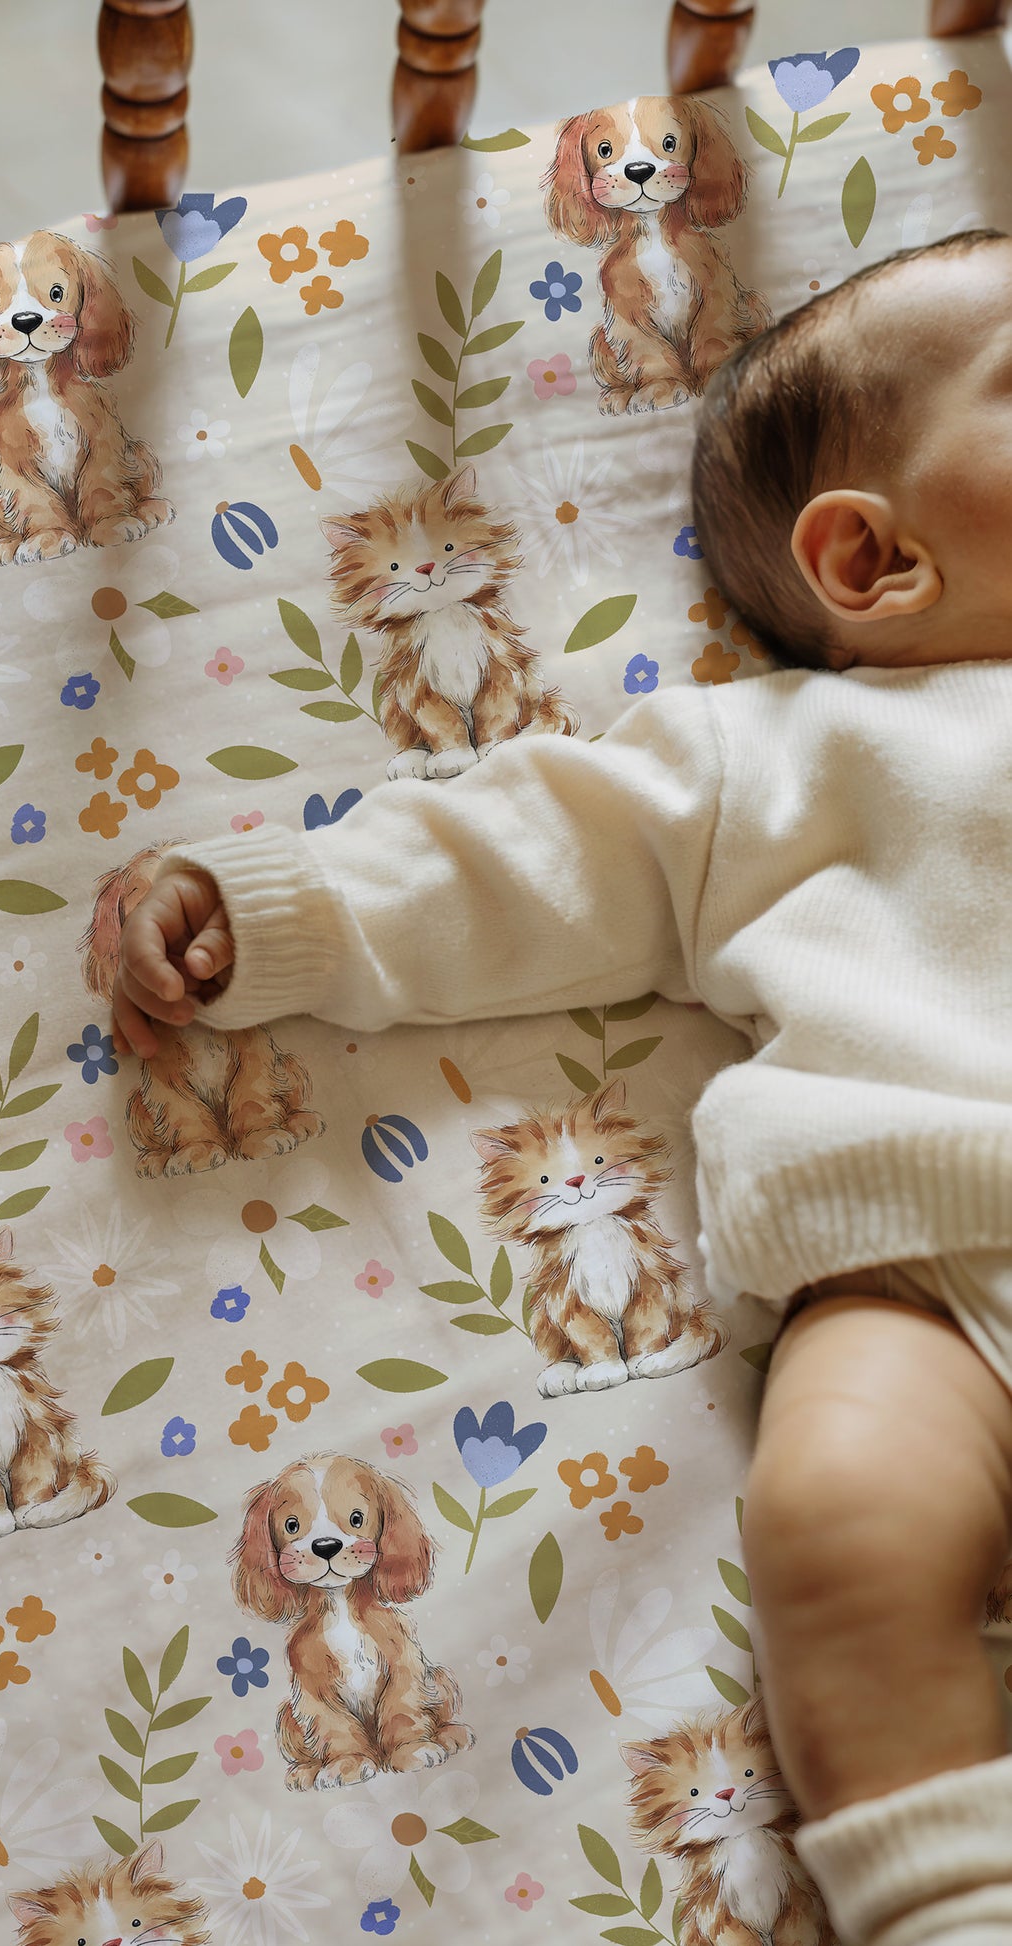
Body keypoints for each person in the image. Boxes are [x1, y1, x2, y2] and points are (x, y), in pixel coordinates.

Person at [114, 230, 1012, 1946]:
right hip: (922, 1263)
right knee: (835, 1519)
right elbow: (531, 851)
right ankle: (947, 1901)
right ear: (872, 560)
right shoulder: (779, 763)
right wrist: (281, 910)